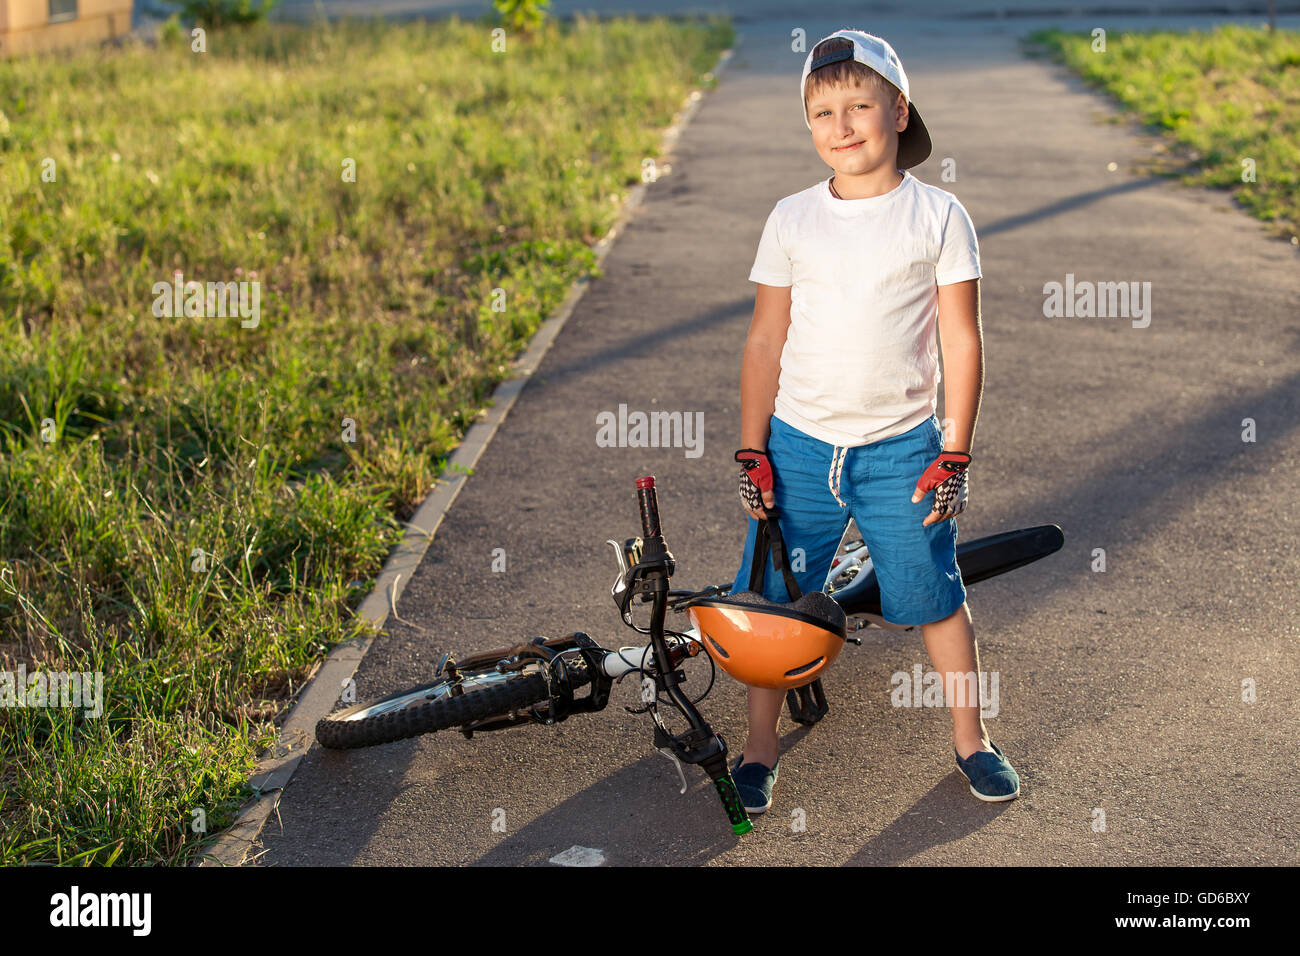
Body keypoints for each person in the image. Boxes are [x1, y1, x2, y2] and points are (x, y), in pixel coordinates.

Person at [728, 29, 1020, 813]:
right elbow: (764, 338)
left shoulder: (938, 215)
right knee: (771, 600)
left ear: (899, 110)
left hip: (901, 450)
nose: (842, 123)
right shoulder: (791, 217)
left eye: (860, 104)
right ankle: (758, 748)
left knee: (933, 594)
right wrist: (752, 448)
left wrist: (954, 451)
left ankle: (972, 740)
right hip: (796, 446)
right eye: (822, 111)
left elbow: (961, 339)